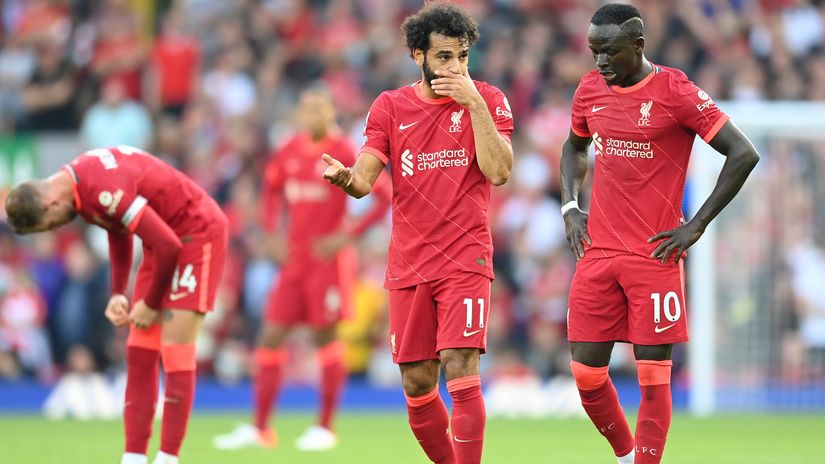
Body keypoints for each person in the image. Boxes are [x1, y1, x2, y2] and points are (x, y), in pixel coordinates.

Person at [559, 4, 759, 464]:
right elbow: (574, 146)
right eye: (594, 52)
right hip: (599, 250)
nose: (600, 62)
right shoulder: (590, 89)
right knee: (586, 375)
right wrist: (571, 206)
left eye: (609, 52)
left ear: (638, 45)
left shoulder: (675, 91)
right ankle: (626, 456)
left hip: (655, 254)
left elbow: (743, 153)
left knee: (653, 377)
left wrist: (697, 223)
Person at [322, 3, 513, 463]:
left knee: (461, 365)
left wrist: (474, 105)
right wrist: (348, 179)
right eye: (444, 57)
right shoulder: (390, 107)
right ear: (418, 56)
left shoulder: (487, 98)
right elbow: (365, 179)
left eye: (463, 56)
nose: (456, 67)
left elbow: (500, 171)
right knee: (417, 382)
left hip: (466, 255)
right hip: (409, 262)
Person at [4, 145, 229, 464]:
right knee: (139, 351)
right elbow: (119, 229)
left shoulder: (100, 187)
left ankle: (168, 458)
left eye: (50, 223)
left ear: (50, 202)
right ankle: (134, 456)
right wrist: (118, 292)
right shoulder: (80, 187)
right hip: (160, 241)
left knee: (176, 347)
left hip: (196, 232)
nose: (56, 228)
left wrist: (150, 303)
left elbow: (169, 245)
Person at [213, 88, 390, 451]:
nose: (310, 114)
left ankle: (325, 426)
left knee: (324, 338)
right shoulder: (289, 150)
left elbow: (383, 196)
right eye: (305, 108)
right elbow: (271, 189)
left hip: (327, 261)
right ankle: (261, 428)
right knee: (270, 337)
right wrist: (269, 231)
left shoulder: (343, 151)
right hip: (293, 260)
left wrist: (347, 237)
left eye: (317, 108)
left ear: (330, 112)